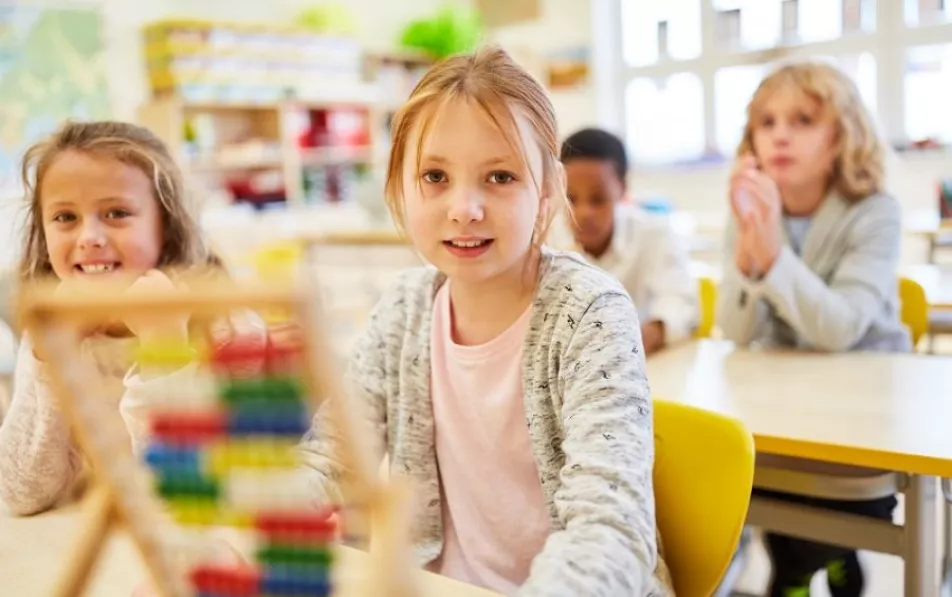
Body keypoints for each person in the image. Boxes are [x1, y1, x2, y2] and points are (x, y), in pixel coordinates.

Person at [300, 46, 673, 597]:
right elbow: (332, 455)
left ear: (546, 192)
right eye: (434, 176)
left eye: (499, 176)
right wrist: (250, 520)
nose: (463, 208)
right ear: (400, 186)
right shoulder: (405, 308)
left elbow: (612, 525)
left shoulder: (590, 312)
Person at [0, 121, 267, 516]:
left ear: (167, 224)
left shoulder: (227, 327)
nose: (88, 236)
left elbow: (187, 502)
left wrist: (165, 346)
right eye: (65, 217)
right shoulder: (52, 329)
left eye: (117, 212)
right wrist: (49, 356)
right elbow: (18, 494)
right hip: (100, 542)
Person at [717, 62, 908, 597]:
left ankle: (827, 560)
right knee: (764, 489)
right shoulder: (748, 209)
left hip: (864, 408)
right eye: (767, 121)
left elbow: (839, 330)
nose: (780, 133)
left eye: (802, 120)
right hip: (785, 403)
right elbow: (732, 329)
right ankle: (800, 568)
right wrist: (750, 255)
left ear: (841, 136)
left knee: (835, 508)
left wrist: (771, 256)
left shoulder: (875, 212)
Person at [556, 127, 698, 354]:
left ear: (622, 189)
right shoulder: (547, 241)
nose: (583, 213)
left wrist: (646, 334)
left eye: (598, 199)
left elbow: (680, 301)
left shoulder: (654, 233)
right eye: (571, 198)